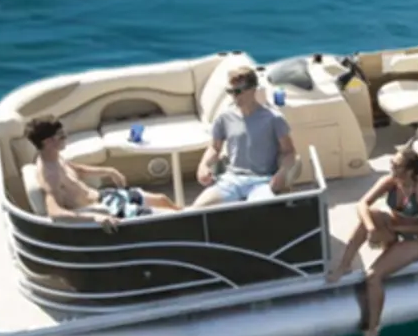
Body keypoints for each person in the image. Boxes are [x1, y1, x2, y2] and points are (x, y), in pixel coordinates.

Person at [333, 144, 418, 336]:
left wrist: (396, 227)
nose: (391, 168)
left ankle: (373, 329)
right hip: (394, 230)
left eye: (395, 165)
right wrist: (371, 228)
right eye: (391, 164)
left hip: (413, 239)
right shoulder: (390, 182)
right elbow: (362, 204)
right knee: (369, 216)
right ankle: (344, 264)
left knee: (372, 276)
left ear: (410, 171)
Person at [24, 114, 179, 222]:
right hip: (104, 208)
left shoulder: (54, 157)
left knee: (162, 200)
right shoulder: (49, 175)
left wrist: (110, 171)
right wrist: (95, 217)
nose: (66, 137)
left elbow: (78, 170)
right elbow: (55, 212)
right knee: (166, 217)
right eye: (61, 135)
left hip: (104, 196)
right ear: (48, 142)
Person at [192, 66, 297, 206]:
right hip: (231, 180)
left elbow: (289, 152)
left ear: (253, 89)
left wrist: (282, 173)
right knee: (199, 208)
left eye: (238, 91)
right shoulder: (224, 117)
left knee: (257, 213)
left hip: (262, 181)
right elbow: (214, 148)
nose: (234, 96)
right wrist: (203, 165)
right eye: (230, 91)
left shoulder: (274, 119)